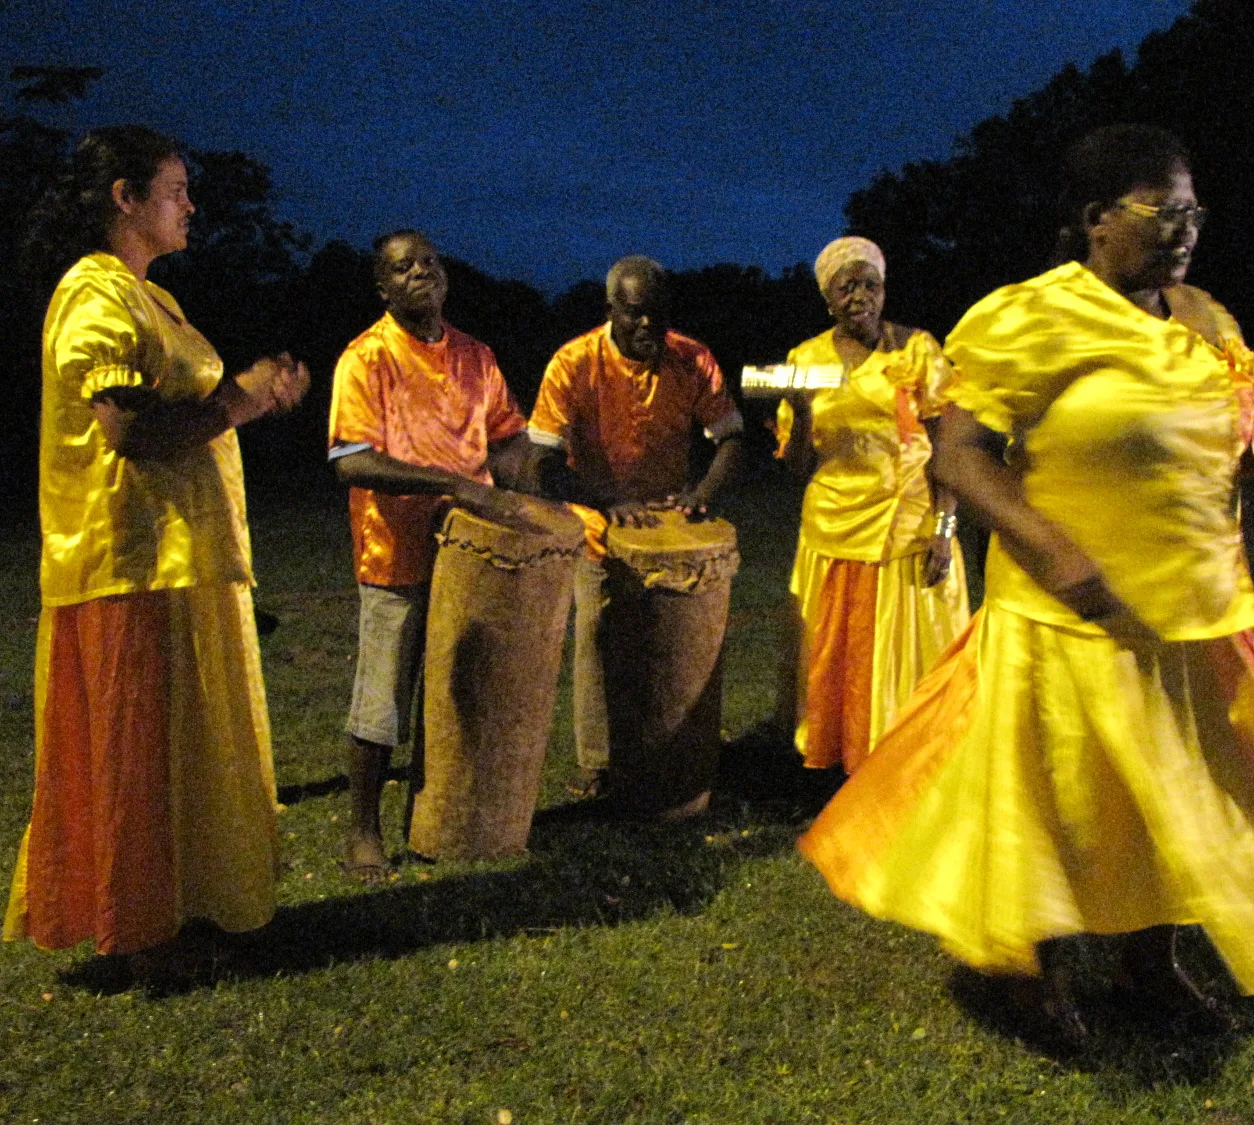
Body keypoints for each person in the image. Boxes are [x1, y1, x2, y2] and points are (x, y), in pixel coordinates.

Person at [798, 124, 1254, 1040]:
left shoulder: (1207, 321)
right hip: (1063, 619)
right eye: (1164, 211)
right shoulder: (1027, 315)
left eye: (1193, 210)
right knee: (1057, 804)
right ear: (1095, 218)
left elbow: (1214, 445)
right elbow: (958, 454)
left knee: (1171, 798)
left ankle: (1149, 966)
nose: (1186, 227)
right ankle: (1030, 973)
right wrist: (1052, 549)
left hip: (1190, 613)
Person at [3, 125, 309, 975]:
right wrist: (241, 403)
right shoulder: (94, 294)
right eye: (176, 190)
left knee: (182, 752)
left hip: (178, 558)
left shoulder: (147, 296)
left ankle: (182, 907)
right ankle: (140, 933)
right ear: (125, 199)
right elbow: (130, 431)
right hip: (128, 559)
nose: (191, 205)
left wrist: (256, 391)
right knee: (139, 754)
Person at [328, 229, 539, 880]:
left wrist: (529, 489)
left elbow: (508, 439)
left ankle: (445, 820)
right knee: (383, 696)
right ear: (383, 286)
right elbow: (352, 460)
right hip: (397, 551)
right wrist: (454, 484)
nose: (420, 272)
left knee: (453, 698)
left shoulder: (476, 356)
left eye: (429, 262)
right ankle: (364, 829)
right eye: (403, 267)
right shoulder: (365, 358)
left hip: (471, 554)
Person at [528, 255, 744, 797]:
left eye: (656, 313)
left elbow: (731, 437)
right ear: (610, 310)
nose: (646, 325)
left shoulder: (692, 359)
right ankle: (598, 763)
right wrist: (606, 502)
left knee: (670, 644)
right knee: (597, 644)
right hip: (597, 522)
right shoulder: (573, 362)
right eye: (633, 314)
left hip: (670, 529)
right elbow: (543, 462)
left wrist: (702, 494)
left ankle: (671, 748)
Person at [775, 236, 970, 775]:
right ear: (827, 298)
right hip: (832, 525)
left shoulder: (916, 352)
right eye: (847, 287)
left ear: (884, 291)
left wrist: (945, 528)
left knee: (906, 654)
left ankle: (907, 757)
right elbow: (796, 467)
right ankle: (839, 755)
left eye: (870, 284)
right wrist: (797, 408)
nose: (859, 296)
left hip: (905, 524)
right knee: (838, 653)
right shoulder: (806, 359)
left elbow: (948, 450)